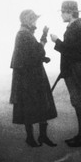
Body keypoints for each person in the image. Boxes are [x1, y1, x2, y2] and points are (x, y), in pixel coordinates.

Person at [10, 9, 57, 147]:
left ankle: (41, 136)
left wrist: (41, 56)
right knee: (31, 105)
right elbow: (37, 52)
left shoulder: (25, 34)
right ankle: (31, 138)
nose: (36, 22)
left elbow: (33, 53)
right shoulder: (24, 34)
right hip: (29, 77)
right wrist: (44, 37)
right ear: (28, 20)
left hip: (32, 75)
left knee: (39, 104)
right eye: (34, 20)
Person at [50, 0, 81, 147]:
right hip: (74, 71)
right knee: (78, 102)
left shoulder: (75, 28)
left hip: (74, 72)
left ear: (69, 13)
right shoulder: (76, 27)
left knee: (78, 102)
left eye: (63, 12)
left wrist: (57, 41)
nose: (61, 15)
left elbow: (72, 51)